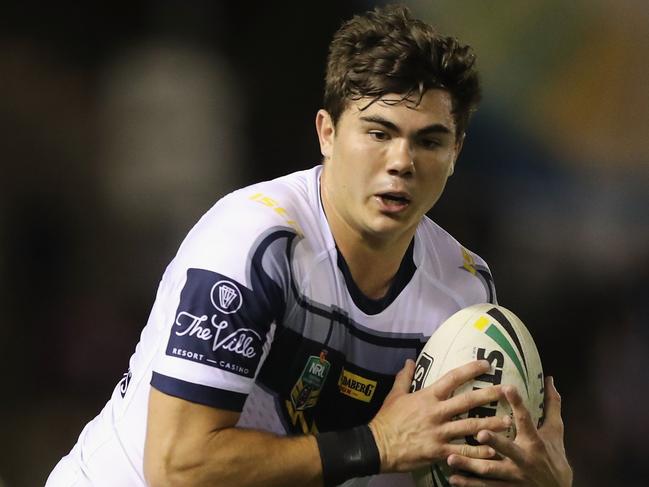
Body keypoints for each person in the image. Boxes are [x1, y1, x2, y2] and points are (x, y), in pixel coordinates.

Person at [46, 5, 572, 487]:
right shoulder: (253, 244)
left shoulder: (464, 292)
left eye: (429, 141)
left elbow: (434, 466)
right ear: (326, 133)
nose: (401, 162)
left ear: (456, 151)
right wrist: (379, 443)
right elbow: (178, 466)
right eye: (378, 131)